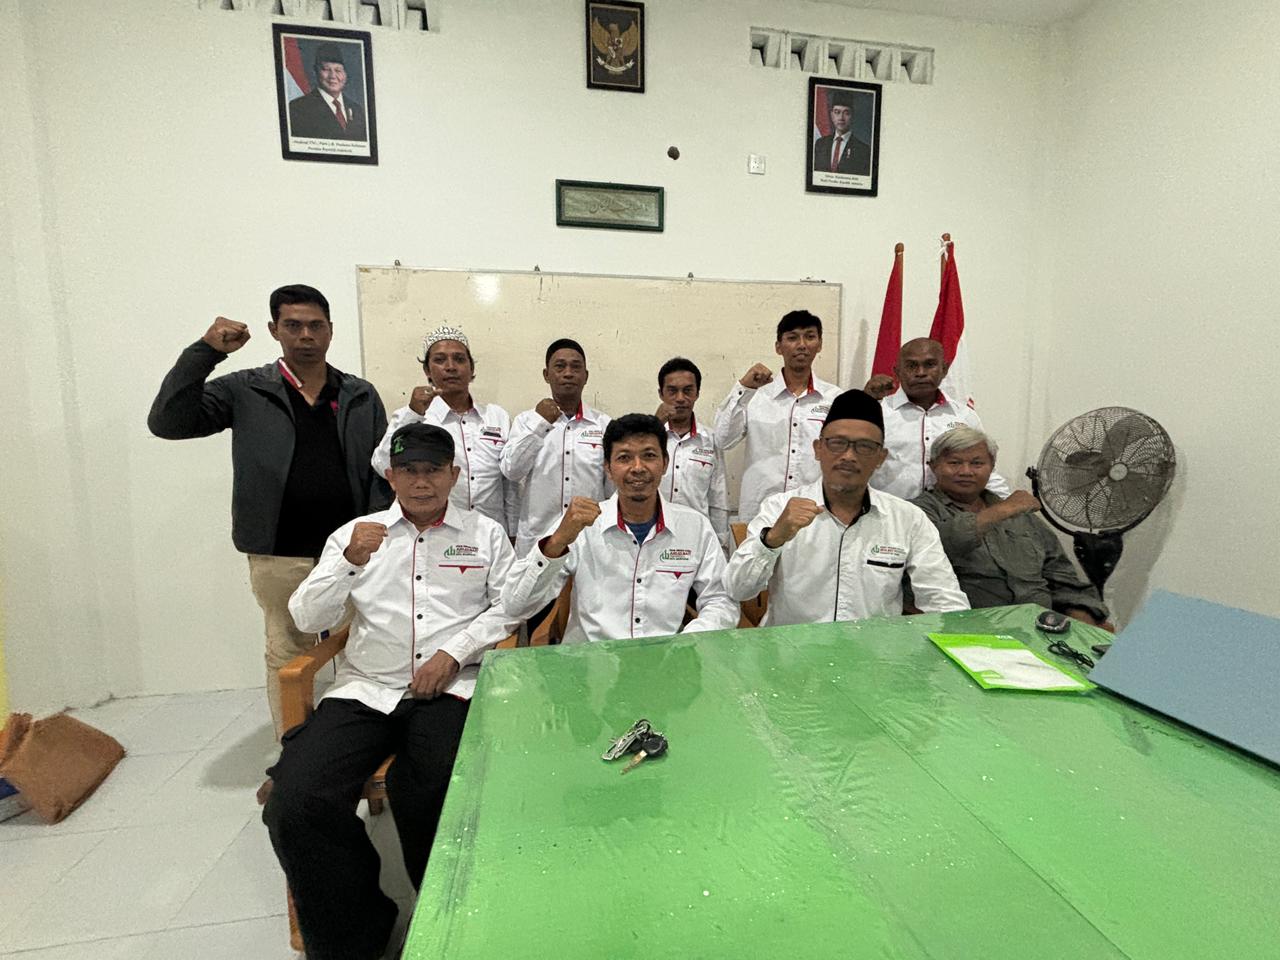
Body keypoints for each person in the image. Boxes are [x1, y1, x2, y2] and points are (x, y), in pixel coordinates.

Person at [265, 423, 518, 960]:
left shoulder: (486, 534)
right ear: (390, 475)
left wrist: (454, 653)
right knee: (296, 801)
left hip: (450, 689)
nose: (421, 482)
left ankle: (444, 922)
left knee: (432, 789)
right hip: (366, 689)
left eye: (433, 470)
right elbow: (307, 617)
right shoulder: (356, 534)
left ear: (454, 474)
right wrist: (349, 562)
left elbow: (508, 608)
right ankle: (356, 931)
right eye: (409, 470)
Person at [147, 284, 388, 738]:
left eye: (315, 325)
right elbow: (168, 422)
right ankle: (293, 746)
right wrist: (205, 353)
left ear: (330, 331)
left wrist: (376, 528)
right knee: (288, 648)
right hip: (280, 551)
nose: (305, 335)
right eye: (293, 325)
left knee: (361, 645)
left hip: (352, 550)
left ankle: (353, 741)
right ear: (274, 330)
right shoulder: (245, 389)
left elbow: (381, 469)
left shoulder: (358, 393)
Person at [724, 389, 968, 626]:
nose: (849, 456)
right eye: (837, 443)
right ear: (818, 449)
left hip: (872, 649)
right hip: (790, 647)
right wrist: (772, 539)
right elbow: (737, 589)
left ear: (881, 457)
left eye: (864, 446)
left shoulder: (907, 518)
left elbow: (944, 599)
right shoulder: (779, 508)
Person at [502, 414, 739, 643]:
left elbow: (721, 600)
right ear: (608, 467)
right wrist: (556, 543)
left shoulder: (694, 526)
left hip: (665, 658)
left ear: (665, 463)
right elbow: (515, 605)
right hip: (591, 659)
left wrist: (686, 642)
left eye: (649, 455)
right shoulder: (580, 526)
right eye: (624, 458)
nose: (638, 467)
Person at [912, 426, 1113, 629]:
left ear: (992, 467)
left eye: (977, 463)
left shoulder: (1022, 516)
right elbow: (945, 543)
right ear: (933, 466)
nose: (966, 471)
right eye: (954, 463)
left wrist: (1083, 625)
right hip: (969, 628)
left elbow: (1063, 579)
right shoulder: (916, 513)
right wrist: (1002, 510)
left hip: (1041, 628)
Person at [372, 324, 516, 536]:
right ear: (427, 371)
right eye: (440, 360)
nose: (450, 367)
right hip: (435, 534)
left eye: (459, 359)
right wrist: (412, 413)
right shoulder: (415, 417)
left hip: (490, 534)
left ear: (471, 368)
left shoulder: (496, 416)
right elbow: (382, 465)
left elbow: (509, 483)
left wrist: (512, 532)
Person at [713, 310, 842, 522]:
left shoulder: (835, 398)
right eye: (792, 338)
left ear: (819, 344)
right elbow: (723, 440)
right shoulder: (755, 395)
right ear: (778, 347)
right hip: (760, 514)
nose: (802, 345)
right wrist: (743, 388)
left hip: (815, 513)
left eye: (810, 337)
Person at [500, 338, 611, 557]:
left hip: (589, 541)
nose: (568, 373)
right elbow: (511, 471)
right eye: (560, 366)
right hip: (538, 541)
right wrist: (541, 424)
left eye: (575, 367)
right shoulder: (526, 421)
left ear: (586, 376)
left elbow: (612, 490)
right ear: (546, 374)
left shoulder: (604, 425)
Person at [864, 337, 1010, 501]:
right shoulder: (877, 412)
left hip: (951, 515)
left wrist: (1008, 503)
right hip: (889, 512)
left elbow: (982, 467)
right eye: (911, 366)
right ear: (897, 372)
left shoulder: (964, 415)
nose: (921, 372)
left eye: (930, 364)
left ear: (944, 369)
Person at [655, 357, 730, 551]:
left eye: (688, 390)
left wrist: (721, 545)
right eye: (672, 391)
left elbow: (718, 498)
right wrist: (654, 425)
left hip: (696, 539)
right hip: (652, 537)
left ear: (697, 393)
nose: (680, 398)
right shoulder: (648, 439)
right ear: (661, 394)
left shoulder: (710, 441)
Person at [287, 42, 368, 141]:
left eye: (338, 70)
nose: (333, 76)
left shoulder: (357, 110)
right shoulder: (298, 108)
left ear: (345, 74)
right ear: (316, 71)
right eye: (326, 69)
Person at [811, 90, 871, 175]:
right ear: (831, 115)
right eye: (837, 112)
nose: (841, 118)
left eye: (846, 113)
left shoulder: (863, 150)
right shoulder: (820, 144)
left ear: (852, 115)